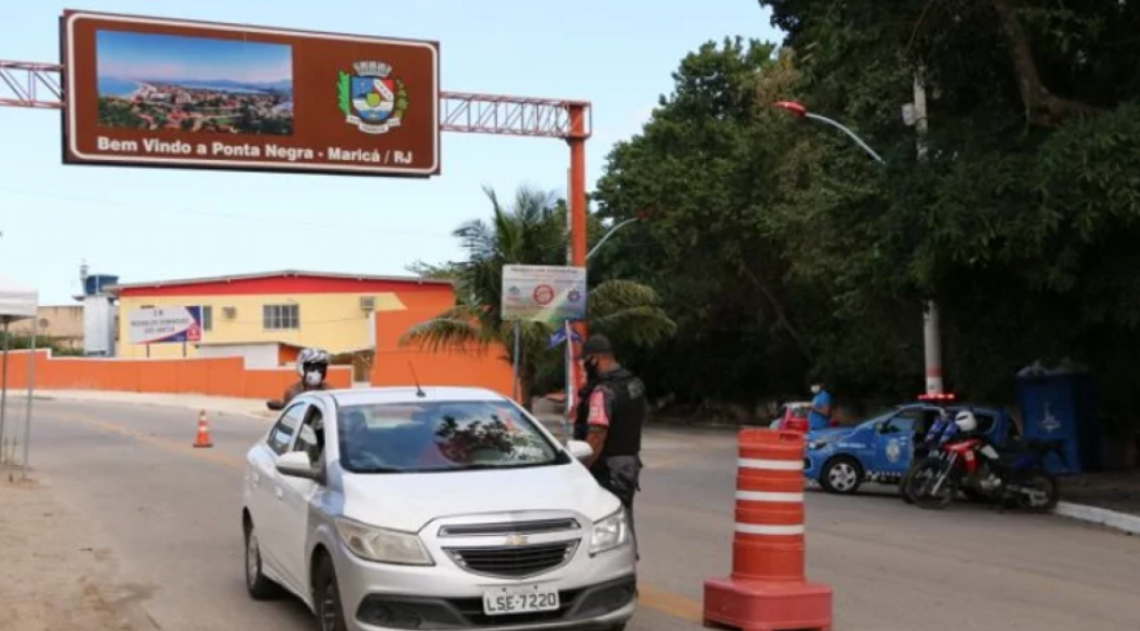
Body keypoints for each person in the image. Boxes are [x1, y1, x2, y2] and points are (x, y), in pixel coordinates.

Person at [574, 334, 646, 558]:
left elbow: (597, 435)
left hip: (608, 468)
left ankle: (616, 573)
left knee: (606, 526)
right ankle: (629, 565)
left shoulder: (602, 392)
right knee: (624, 518)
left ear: (594, 359)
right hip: (629, 465)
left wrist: (581, 467)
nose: (584, 366)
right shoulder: (634, 383)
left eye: (585, 360)